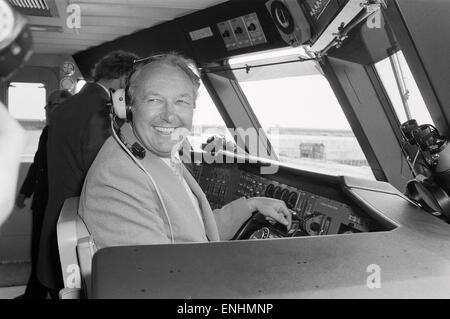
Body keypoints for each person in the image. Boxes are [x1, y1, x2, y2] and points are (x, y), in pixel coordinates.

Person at [79, 53, 292, 249]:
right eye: (154, 100)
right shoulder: (119, 176)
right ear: (127, 107)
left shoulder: (151, 154)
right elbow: (155, 278)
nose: (169, 115)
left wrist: (251, 205)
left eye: (181, 101)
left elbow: (193, 232)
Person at [36, 51, 139, 297]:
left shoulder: (64, 108)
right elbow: (105, 174)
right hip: (83, 225)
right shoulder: (104, 113)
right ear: (124, 78)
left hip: (59, 217)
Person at [14, 90, 72, 299]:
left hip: (57, 205)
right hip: (41, 201)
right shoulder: (48, 131)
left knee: (52, 253)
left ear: (64, 108)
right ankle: (34, 292)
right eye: (48, 104)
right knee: (37, 250)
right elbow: (38, 164)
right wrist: (24, 191)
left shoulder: (68, 133)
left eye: (52, 104)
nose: (47, 108)